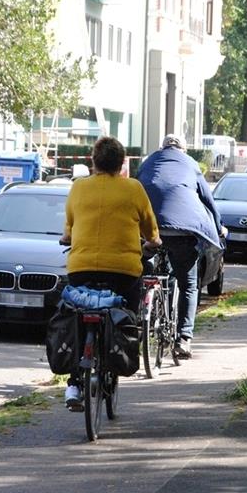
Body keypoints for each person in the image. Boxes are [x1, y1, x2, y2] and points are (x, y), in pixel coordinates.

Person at [60, 136, 161, 410]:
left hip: (81, 269)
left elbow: (68, 228)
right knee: (126, 316)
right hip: (123, 272)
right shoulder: (134, 189)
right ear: (122, 164)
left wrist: (68, 238)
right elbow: (150, 228)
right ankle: (116, 358)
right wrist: (153, 240)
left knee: (78, 317)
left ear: (93, 162)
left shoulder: (78, 188)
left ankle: (73, 384)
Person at [137, 134, 225, 360]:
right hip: (182, 231)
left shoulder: (148, 162)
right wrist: (219, 228)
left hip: (149, 231)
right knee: (188, 285)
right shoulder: (191, 165)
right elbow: (208, 201)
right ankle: (184, 338)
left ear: (161, 148)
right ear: (183, 150)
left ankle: (140, 321)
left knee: (139, 270)